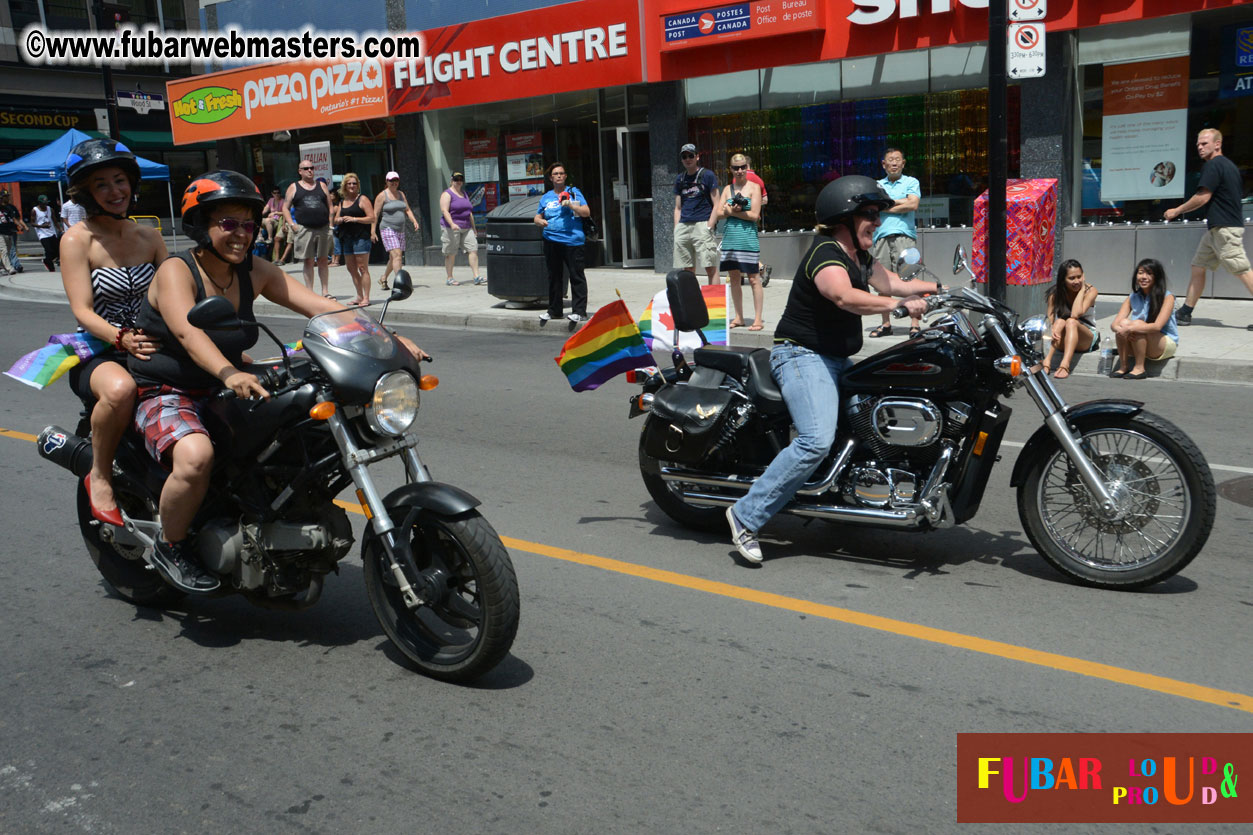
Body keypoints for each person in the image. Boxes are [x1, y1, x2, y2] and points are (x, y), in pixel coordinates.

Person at [129, 170, 427, 592]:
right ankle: (170, 545)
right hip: (169, 388)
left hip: (226, 382)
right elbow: (187, 332)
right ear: (200, 225)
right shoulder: (177, 270)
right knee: (195, 457)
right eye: (228, 223)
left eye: (248, 224)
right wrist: (230, 372)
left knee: (301, 421)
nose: (241, 234)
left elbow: (323, 307)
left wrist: (388, 337)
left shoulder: (255, 270)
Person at [725, 175, 934, 564]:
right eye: (869, 214)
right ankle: (745, 515)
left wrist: (942, 291)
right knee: (815, 440)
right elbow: (843, 296)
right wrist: (896, 307)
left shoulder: (860, 257)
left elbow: (890, 282)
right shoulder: (825, 253)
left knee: (873, 419)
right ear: (844, 219)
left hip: (835, 359)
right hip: (802, 356)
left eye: (877, 213)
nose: (877, 221)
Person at [58, 138, 169, 528]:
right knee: (121, 390)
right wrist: (121, 337)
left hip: (152, 347)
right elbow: (82, 311)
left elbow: (176, 295)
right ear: (86, 192)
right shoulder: (77, 239)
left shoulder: (150, 236)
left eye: (119, 180)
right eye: (101, 184)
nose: (114, 191)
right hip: (101, 351)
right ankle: (100, 476)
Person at [1163, 129, 1253, 329]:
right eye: (1198, 144)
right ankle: (1185, 312)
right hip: (1217, 229)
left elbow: (1203, 197)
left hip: (1225, 229)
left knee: (1242, 270)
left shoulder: (1213, 165)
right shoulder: (1229, 166)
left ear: (1217, 144)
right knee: (1198, 266)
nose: (1200, 147)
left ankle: (1185, 312)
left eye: (1204, 143)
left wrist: (1177, 210)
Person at [869, 147, 922, 338]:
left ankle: (915, 324)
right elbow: (874, 207)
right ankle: (886, 324)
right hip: (881, 237)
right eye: (890, 160)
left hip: (904, 236)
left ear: (903, 163)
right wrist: (900, 202)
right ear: (883, 164)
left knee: (909, 280)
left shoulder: (911, 182)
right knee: (882, 283)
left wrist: (887, 204)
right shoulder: (877, 185)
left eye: (897, 159)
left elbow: (913, 204)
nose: (894, 163)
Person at [533, 161, 590, 330]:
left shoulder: (574, 192)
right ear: (551, 178)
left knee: (576, 276)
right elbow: (537, 216)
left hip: (572, 241)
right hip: (551, 240)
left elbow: (586, 212)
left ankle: (579, 311)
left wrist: (570, 204)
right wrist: (539, 221)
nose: (558, 176)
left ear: (565, 176)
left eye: (561, 173)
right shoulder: (546, 197)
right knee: (554, 276)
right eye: (555, 174)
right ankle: (554, 311)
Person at [1109, 258, 1178, 380]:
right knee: (1123, 323)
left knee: (1137, 325)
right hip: (1138, 340)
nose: (1144, 277)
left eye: (1149, 273)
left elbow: (1157, 326)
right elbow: (1114, 325)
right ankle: (1123, 366)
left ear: (1157, 277)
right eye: (1141, 273)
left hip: (1163, 344)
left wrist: (1131, 329)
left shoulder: (1167, 297)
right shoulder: (1132, 297)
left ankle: (1139, 368)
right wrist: (1123, 330)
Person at [719, 153, 765, 331]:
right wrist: (728, 210)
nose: (739, 171)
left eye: (743, 167)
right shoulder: (727, 189)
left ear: (747, 167)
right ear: (730, 169)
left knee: (754, 278)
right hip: (730, 238)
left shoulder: (754, 187)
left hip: (747, 239)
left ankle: (758, 319)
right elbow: (719, 213)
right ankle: (739, 317)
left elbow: (754, 215)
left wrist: (732, 212)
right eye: (736, 168)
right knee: (734, 278)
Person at [283, 159, 334, 298]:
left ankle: (325, 291)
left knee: (323, 260)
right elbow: (285, 208)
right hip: (305, 229)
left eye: (312, 168)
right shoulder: (293, 187)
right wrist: (292, 225)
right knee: (308, 260)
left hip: (323, 228)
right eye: (306, 168)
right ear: (300, 171)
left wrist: (331, 225)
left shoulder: (321, 185)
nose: (310, 170)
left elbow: (330, 206)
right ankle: (310, 292)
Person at [1040, 259, 1098, 379]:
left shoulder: (1091, 291)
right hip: (1062, 339)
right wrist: (1053, 329)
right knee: (1060, 321)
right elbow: (1049, 321)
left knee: (1071, 321)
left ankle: (1065, 365)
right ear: (1063, 280)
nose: (1077, 281)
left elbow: (1076, 314)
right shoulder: (1055, 294)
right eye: (1072, 278)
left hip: (1085, 338)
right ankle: (1047, 362)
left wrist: (1082, 290)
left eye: (1079, 277)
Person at [673, 143, 720, 285]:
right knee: (687, 269)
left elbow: (717, 203)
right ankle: (691, 298)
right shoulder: (680, 179)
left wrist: (710, 225)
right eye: (684, 156)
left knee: (710, 267)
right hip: (683, 226)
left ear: (697, 157)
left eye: (691, 155)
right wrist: (677, 228)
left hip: (702, 224)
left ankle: (713, 299)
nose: (688, 159)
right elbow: (678, 207)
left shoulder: (707, 175)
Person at [372, 171, 420, 291]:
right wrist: (372, 231)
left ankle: (383, 278)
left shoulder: (401, 194)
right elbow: (375, 214)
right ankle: (400, 284)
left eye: (396, 180)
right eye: (391, 180)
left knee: (394, 257)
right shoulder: (382, 196)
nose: (394, 183)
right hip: (387, 229)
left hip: (400, 229)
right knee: (398, 255)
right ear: (386, 181)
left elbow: (407, 209)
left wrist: (414, 221)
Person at [333, 172, 376, 306]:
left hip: (361, 237)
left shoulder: (362, 199)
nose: (352, 186)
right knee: (351, 269)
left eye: (354, 183)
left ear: (358, 185)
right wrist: (339, 220)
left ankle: (366, 298)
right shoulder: (342, 202)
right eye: (349, 183)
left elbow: (372, 218)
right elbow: (335, 219)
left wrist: (355, 219)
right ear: (345, 186)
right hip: (347, 238)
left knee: (362, 268)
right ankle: (359, 296)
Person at [439, 172, 483, 286]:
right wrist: (452, 224)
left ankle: (476, 276)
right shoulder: (447, 194)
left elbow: (469, 212)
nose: (458, 182)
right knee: (451, 252)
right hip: (451, 227)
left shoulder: (464, 194)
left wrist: (474, 228)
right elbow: (444, 211)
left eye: (460, 179)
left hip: (466, 227)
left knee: (473, 248)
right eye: (456, 179)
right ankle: (450, 278)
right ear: (451, 180)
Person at [742, 155, 772, 287]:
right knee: (746, 245)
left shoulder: (740, 178)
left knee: (742, 246)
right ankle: (741, 275)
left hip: (743, 217)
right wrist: (754, 204)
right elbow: (765, 200)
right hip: (755, 217)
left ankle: (761, 268)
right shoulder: (759, 179)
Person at [31, 194, 61, 271]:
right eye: (43, 204)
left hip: (52, 232)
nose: (45, 205)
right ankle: (51, 268)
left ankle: (46, 260)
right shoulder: (35, 210)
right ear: (39, 203)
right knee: (48, 250)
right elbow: (32, 223)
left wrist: (60, 229)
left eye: (46, 203)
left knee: (57, 251)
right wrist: (42, 226)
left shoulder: (50, 209)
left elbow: (55, 221)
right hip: (42, 234)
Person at [0, 189, 27, 275]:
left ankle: (2, 265)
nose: (7, 198)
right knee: (4, 250)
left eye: (7, 196)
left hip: (9, 232)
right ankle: (10, 268)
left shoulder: (8, 208)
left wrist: (20, 226)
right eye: (5, 197)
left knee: (9, 251)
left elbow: (15, 219)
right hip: (0, 233)